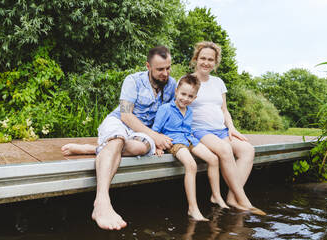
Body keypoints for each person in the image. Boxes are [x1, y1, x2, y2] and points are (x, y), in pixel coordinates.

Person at [61, 46, 177, 230]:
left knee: (141, 149)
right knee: (118, 140)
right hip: (120, 122)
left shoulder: (172, 85)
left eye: (168, 68)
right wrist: (154, 136)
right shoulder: (132, 81)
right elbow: (126, 116)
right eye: (160, 69)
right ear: (148, 66)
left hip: (142, 132)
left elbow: (169, 114)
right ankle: (101, 202)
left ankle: (92, 149)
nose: (165, 73)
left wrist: (159, 139)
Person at [189, 41, 265, 214]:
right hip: (199, 130)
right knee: (224, 150)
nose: (206, 63)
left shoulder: (218, 82)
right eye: (203, 58)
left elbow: (224, 109)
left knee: (247, 150)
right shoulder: (188, 80)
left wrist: (231, 127)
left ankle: (232, 198)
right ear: (196, 59)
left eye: (210, 59)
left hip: (221, 130)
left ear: (215, 63)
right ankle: (244, 200)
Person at [152, 74, 224, 221]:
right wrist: (157, 146)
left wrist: (195, 142)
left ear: (195, 98)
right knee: (191, 165)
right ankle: (193, 208)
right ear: (176, 91)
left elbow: (188, 130)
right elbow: (155, 130)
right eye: (183, 94)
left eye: (190, 96)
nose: (185, 98)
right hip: (174, 142)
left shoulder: (190, 111)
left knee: (214, 158)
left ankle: (216, 196)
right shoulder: (165, 109)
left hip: (189, 139)